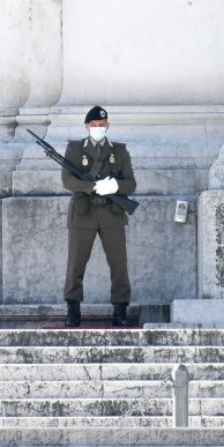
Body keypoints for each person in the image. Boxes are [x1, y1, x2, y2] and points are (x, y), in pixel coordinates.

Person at [62, 106, 137, 327]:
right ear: (87, 126)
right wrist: (94, 186)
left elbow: (131, 183)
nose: (97, 129)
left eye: (101, 126)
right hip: (83, 212)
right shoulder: (75, 150)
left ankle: (120, 309)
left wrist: (114, 185)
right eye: (94, 126)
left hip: (111, 214)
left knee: (118, 264)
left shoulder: (119, 151)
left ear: (108, 126)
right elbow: (68, 181)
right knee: (76, 263)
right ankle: (73, 309)